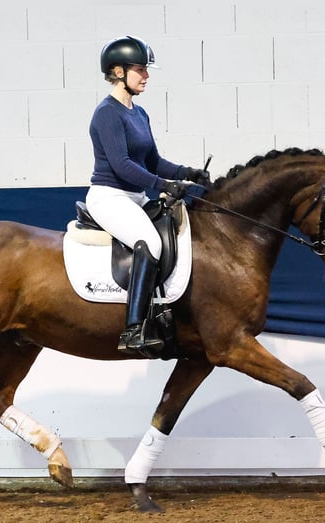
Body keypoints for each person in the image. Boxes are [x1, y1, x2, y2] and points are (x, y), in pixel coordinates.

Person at [85, 35, 209, 355]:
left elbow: (152, 160)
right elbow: (122, 165)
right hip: (109, 196)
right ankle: (134, 329)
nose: (147, 76)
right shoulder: (107, 114)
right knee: (151, 243)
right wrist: (163, 185)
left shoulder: (139, 114)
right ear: (117, 71)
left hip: (134, 197)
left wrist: (186, 173)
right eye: (140, 69)